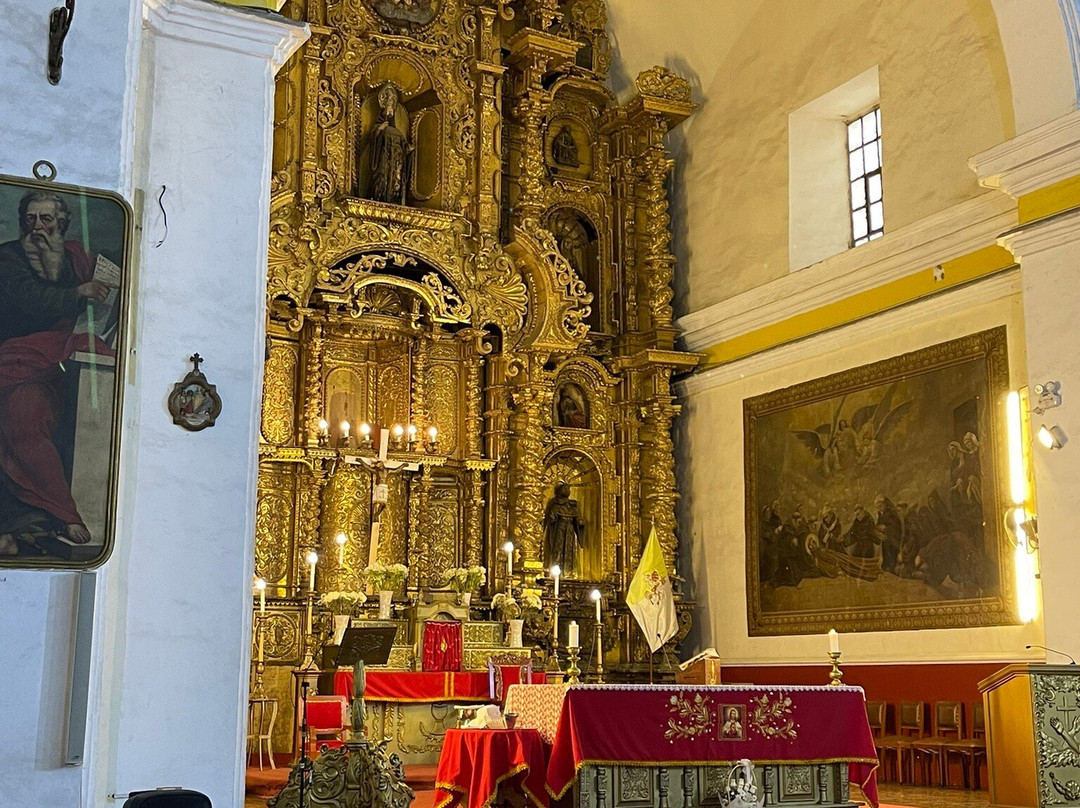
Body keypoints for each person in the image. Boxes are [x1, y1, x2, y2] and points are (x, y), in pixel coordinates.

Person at [0, 190, 110, 554]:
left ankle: (49, 514)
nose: (38, 228)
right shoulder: (8, 258)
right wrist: (81, 291)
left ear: (61, 224)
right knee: (24, 418)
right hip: (14, 360)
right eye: (31, 219)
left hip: (62, 361)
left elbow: (112, 280)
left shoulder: (75, 257)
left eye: (46, 220)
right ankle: (64, 511)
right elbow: (31, 299)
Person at [368, 83, 411, 205]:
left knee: (396, 180)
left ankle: (394, 199)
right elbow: (373, 142)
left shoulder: (397, 132)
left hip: (396, 164)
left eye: (392, 111)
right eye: (388, 110)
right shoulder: (379, 127)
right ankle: (379, 197)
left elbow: (404, 148)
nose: (390, 113)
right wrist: (379, 130)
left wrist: (408, 149)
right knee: (382, 177)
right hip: (384, 161)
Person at [543, 482, 585, 575]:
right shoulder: (555, 504)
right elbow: (550, 519)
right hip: (559, 528)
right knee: (558, 548)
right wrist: (552, 518)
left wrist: (579, 522)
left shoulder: (572, 505)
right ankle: (555, 569)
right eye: (565, 489)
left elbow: (577, 519)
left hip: (569, 529)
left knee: (569, 549)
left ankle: (568, 570)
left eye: (568, 489)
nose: (567, 491)